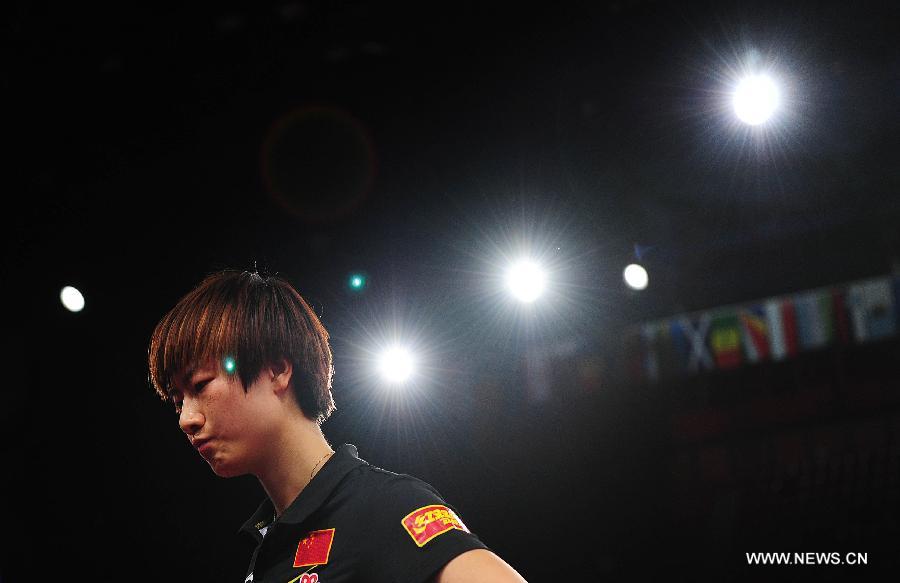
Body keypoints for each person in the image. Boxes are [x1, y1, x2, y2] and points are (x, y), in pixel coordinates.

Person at [148, 269, 527, 583]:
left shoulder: (385, 506)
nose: (186, 419)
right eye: (178, 401)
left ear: (278, 369)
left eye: (199, 385)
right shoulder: (264, 550)